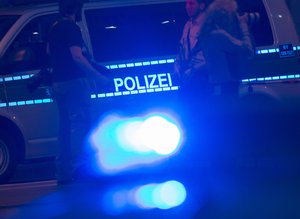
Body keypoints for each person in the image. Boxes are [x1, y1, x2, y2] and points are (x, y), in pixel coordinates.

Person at [47, 0, 107, 185]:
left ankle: (63, 173)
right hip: (73, 82)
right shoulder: (71, 27)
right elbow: (77, 56)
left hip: (57, 83)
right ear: (76, 8)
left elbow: (49, 51)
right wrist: (97, 75)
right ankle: (81, 170)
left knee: (64, 129)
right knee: (79, 126)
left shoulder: (54, 26)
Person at [197, 0, 254, 102]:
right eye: (233, 13)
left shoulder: (207, 34)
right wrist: (243, 25)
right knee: (231, 114)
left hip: (215, 84)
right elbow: (247, 49)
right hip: (226, 86)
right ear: (225, 15)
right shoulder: (219, 35)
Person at [174, 0, 212, 104]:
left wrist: (193, 69)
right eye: (186, 3)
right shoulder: (188, 25)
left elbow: (212, 55)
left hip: (203, 79)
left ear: (202, 5)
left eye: (191, 3)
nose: (187, 7)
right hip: (187, 79)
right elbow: (182, 48)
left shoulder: (209, 25)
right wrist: (177, 65)